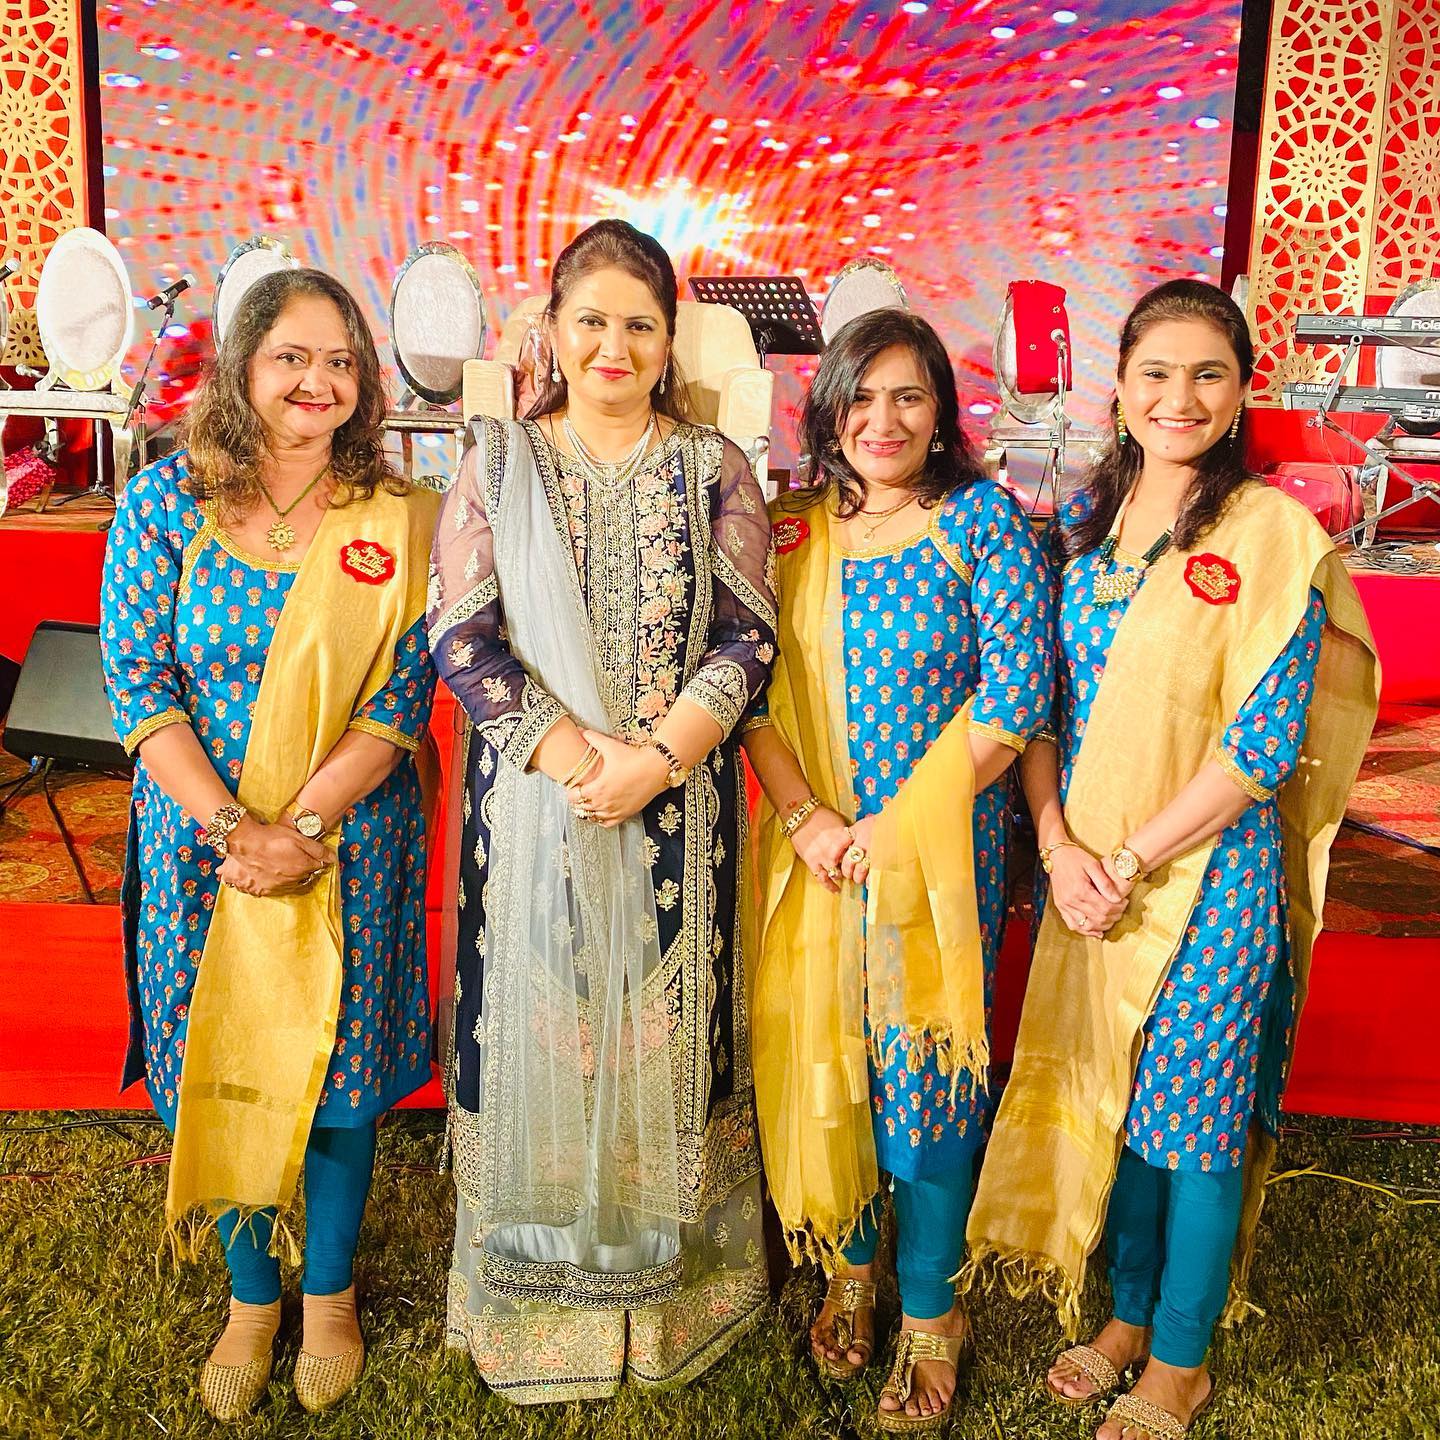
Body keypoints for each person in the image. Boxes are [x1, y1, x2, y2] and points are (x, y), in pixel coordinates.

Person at [964, 279, 1379, 1440]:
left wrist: (1128, 859)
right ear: (1121, 386)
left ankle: (1181, 1359)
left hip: (1208, 882)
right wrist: (1059, 849)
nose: (1179, 397)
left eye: (1208, 375)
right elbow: (1037, 708)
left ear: (1242, 392)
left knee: (1193, 1125)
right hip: (1086, 872)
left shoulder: (1270, 536)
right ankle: (1130, 1315)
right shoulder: (1086, 526)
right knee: (1121, 1100)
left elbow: (1260, 748)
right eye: (1156, 372)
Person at [429, 219, 777, 1403]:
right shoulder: (499, 462)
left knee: (666, 1034)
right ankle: (541, 1315)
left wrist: (660, 760)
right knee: (540, 1027)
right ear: (553, 328)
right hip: (534, 806)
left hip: (680, 812)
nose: (613, 345)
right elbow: (461, 635)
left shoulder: (714, 468)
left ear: (670, 338)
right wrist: (580, 757)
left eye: (639, 323)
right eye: (592, 320)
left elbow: (748, 636)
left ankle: (670, 1306)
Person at [99, 268, 438, 1420]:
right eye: (293, 355)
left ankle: (329, 1294)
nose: (317, 381)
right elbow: (137, 680)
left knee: (341, 1071)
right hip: (201, 844)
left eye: (341, 361)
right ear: (242, 363)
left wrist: (301, 829)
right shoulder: (167, 502)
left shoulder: (396, 516)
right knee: (221, 1053)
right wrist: (231, 827)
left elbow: (400, 696)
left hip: (351, 840)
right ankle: (252, 1298)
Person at [743, 309, 1056, 1432]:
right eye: (861, 397)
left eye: (909, 396)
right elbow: (749, 691)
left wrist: (892, 830)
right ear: (826, 409)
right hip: (815, 856)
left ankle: (931, 1308)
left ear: (942, 413)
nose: (883, 420)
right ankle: (850, 1268)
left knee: (923, 1092)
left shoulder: (982, 522)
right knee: (830, 1064)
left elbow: (1015, 698)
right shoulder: (788, 531)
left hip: (935, 858)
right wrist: (809, 821)